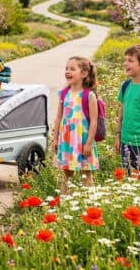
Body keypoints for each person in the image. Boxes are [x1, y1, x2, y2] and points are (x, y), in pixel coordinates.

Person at [51, 56, 100, 194]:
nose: (67, 71)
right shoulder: (64, 93)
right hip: (67, 141)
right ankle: (64, 201)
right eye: (66, 68)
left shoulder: (89, 95)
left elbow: (94, 121)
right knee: (66, 174)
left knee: (86, 174)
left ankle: (90, 203)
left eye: (72, 69)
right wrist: (55, 139)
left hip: (83, 141)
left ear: (83, 74)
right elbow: (59, 117)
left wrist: (89, 143)